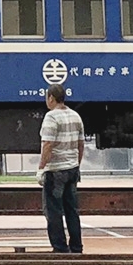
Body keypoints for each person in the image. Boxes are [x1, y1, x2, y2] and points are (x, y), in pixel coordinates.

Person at [38, 84, 86, 254]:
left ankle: (60, 248)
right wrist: (76, 164)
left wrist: (41, 168)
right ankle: (76, 247)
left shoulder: (51, 117)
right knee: (72, 210)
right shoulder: (76, 116)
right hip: (72, 169)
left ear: (51, 97)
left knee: (54, 211)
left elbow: (47, 145)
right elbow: (81, 145)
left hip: (56, 170)